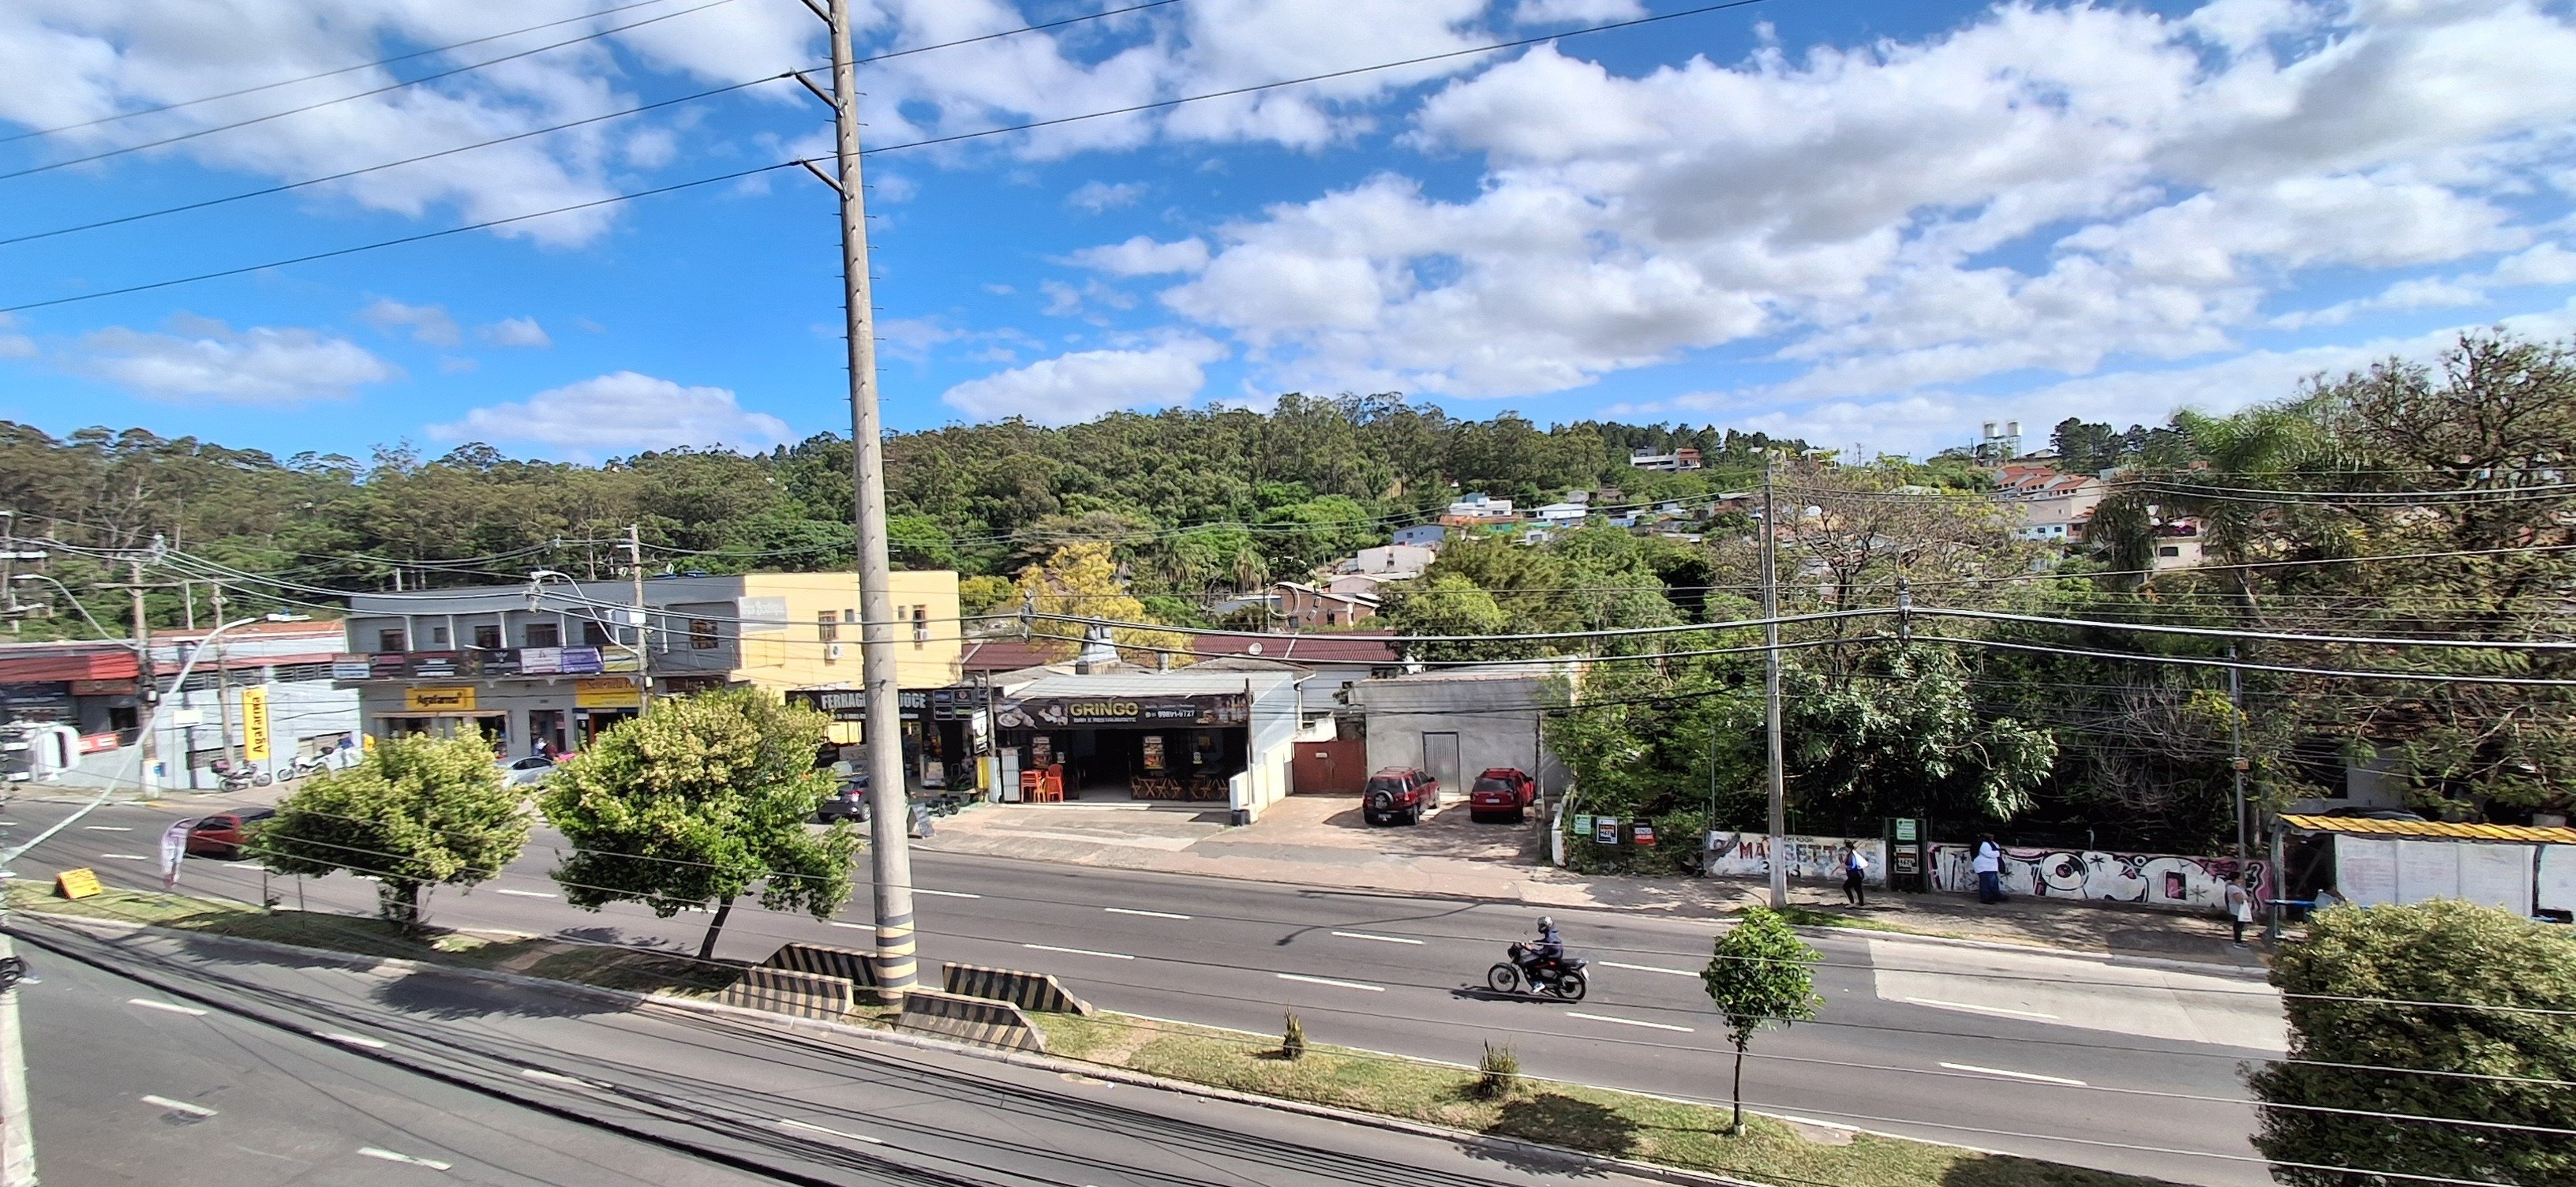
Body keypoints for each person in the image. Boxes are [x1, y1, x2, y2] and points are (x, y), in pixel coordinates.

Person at [1973, 835, 2005, 904]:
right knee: (1986, 884)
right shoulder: (1984, 844)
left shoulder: (1991, 843)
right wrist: (1999, 853)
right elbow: (1988, 854)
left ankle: (1995, 896)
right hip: (1984, 866)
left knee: (1993, 882)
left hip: (1990, 866)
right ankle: (1986, 898)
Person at [2225, 875, 2254, 946]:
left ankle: (2238, 940)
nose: (2241, 880)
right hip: (2238, 909)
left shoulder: (2238, 887)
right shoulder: (2233, 888)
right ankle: (2238, 941)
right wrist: (2247, 900)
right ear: (2235, 879)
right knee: (2239, 926)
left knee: (2240, 925)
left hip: (2242, 909)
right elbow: (2239, 899)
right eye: (2240, 878)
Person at [1842, 842, 1869, 907]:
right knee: (1858, 889)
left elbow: (1853, 866)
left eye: (1845, 847)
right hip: (1857, 875)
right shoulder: (1851, 854)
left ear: (1848, 848)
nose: (1845, 849)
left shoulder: (1852, 855)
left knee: (1846, 887)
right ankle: (1861, 904)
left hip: (1855, 876)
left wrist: (1846, 867)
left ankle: (1852, 903)